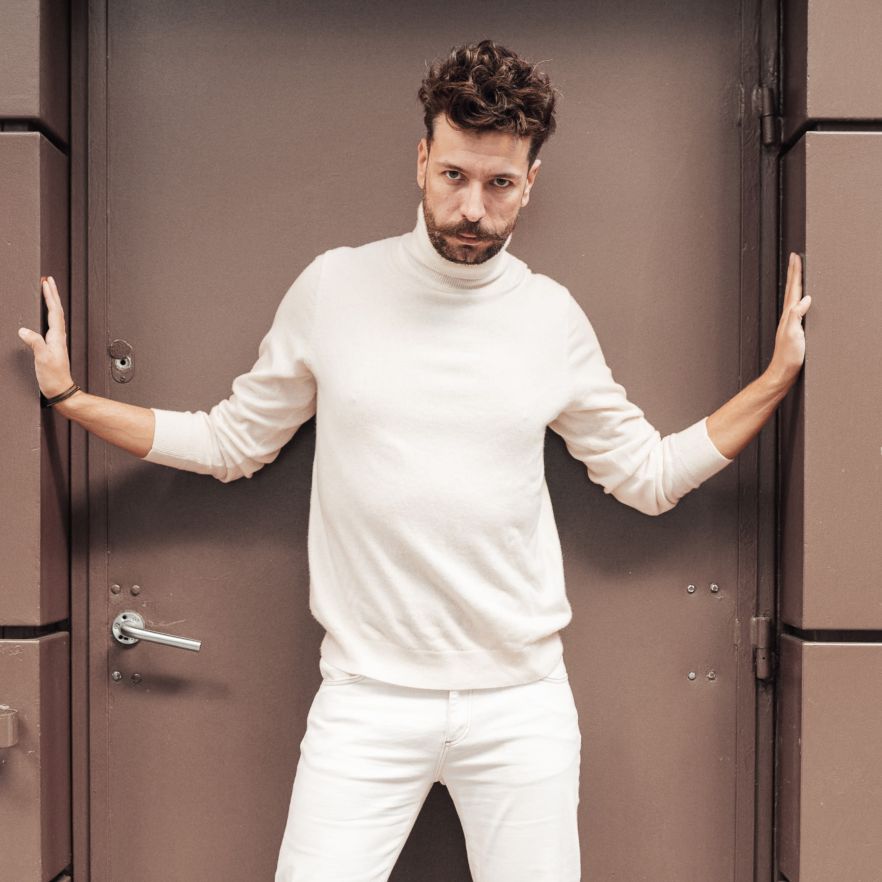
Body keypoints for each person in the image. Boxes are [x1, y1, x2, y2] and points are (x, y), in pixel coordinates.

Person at [19, 39, 809, 882]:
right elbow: (232, 442)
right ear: (423, 159)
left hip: (520, 706)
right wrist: (71, 399)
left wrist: (775, 380)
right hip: (366, 702)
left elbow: (646, 477)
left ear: (531, 183)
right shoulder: (334, 288)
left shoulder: (551, 318)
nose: (472, 208)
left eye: (499, 184)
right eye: (455, 176)